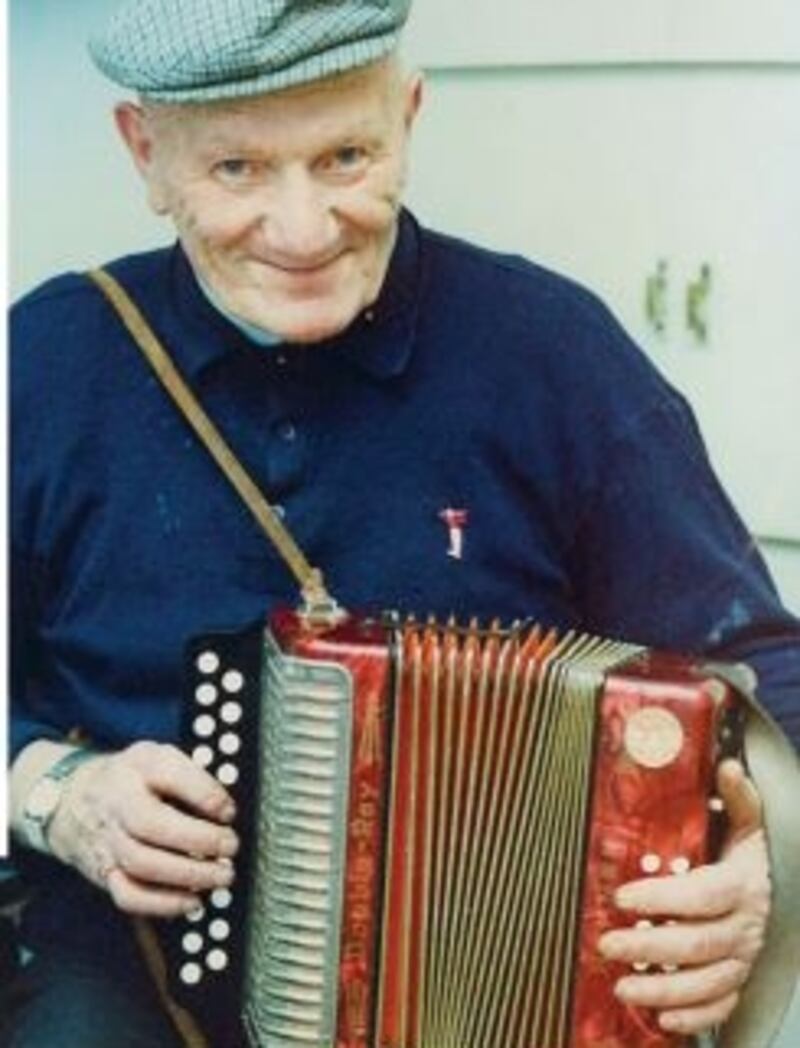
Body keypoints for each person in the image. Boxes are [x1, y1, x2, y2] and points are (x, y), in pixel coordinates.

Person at [6, 1, 799, 1045]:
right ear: (143, 151)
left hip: (497, 992)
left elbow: (759, 662)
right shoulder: (49, 360)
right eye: (236, 169)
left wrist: (761, 867)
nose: (302, 229)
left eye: (345, 156)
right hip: (127, 978)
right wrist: (52, 789)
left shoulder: (552, 353)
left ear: (409, 116)